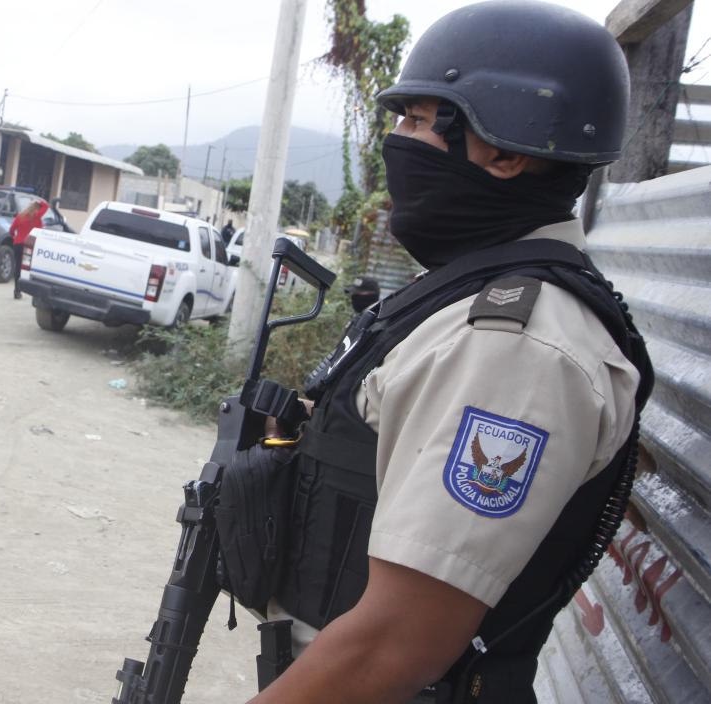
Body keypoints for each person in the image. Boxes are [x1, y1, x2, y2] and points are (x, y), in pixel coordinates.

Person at [236, 2, 653, 702]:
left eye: (418, 120)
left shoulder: (517, 349)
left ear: (505, 150)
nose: (397, 142)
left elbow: (395, 645)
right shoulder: (461, 298)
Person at [9, 199, 47, 299]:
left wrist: (15, 237)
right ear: (38, 209)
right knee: (30, 268)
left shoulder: (20, 217)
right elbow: (46, 206)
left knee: (18, 268)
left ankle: (17, 291)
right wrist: (40, 201)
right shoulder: (37, 217)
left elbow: (11, 230)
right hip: (30, 247)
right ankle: (33, 292)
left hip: (18, 245)